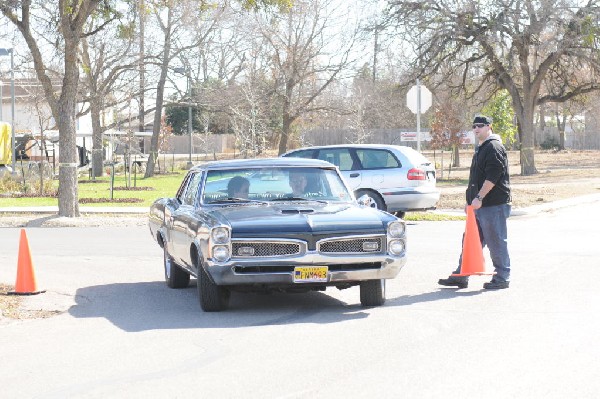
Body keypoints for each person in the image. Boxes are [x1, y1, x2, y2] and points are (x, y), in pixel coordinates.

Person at [438, 115, 512, 290]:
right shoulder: (482, 147)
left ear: (489, 127)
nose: (476, 129)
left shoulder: (493, 147)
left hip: (493, 205)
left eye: (480, 125)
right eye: (474, 126)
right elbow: (476, 179)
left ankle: (502, 277)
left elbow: (493, 177)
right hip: (479, 205)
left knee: (496, 241)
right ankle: (462, 275)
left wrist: (479, 198)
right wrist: (470, 201)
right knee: (470, 241)